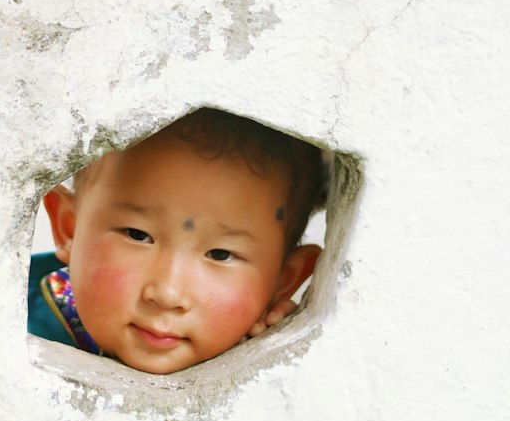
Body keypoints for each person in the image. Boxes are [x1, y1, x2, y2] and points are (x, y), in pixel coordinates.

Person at [28, 108, 325, 374]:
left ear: (283, 281)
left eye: (220, 254)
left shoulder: (286, 386)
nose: (167, 294)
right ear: (70, 227)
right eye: (138, 235)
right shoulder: (4, 330)